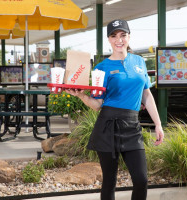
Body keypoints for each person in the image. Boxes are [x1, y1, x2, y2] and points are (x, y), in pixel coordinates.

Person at [65, 19, 164, 200]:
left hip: (132, 126)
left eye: (123, 35)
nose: (119, 40)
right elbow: (98, 104)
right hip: (107, 126)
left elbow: (147, 96)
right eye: (114, 36)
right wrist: (81, 96)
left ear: (128, 37)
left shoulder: (139, 61)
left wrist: (158, 124)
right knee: (109, 181)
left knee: (141, 180)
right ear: (109, 39)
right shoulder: (101, 68)